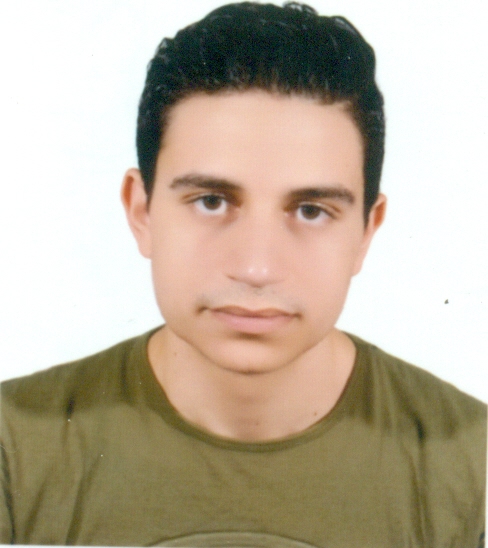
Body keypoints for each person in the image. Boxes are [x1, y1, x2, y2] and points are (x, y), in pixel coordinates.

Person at [1, 2, 485, 546]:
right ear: (142, 212)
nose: (257, 268)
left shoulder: (473, 466)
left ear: (366, 232)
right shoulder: (13, 451)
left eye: (311, 211)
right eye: (211, 201)